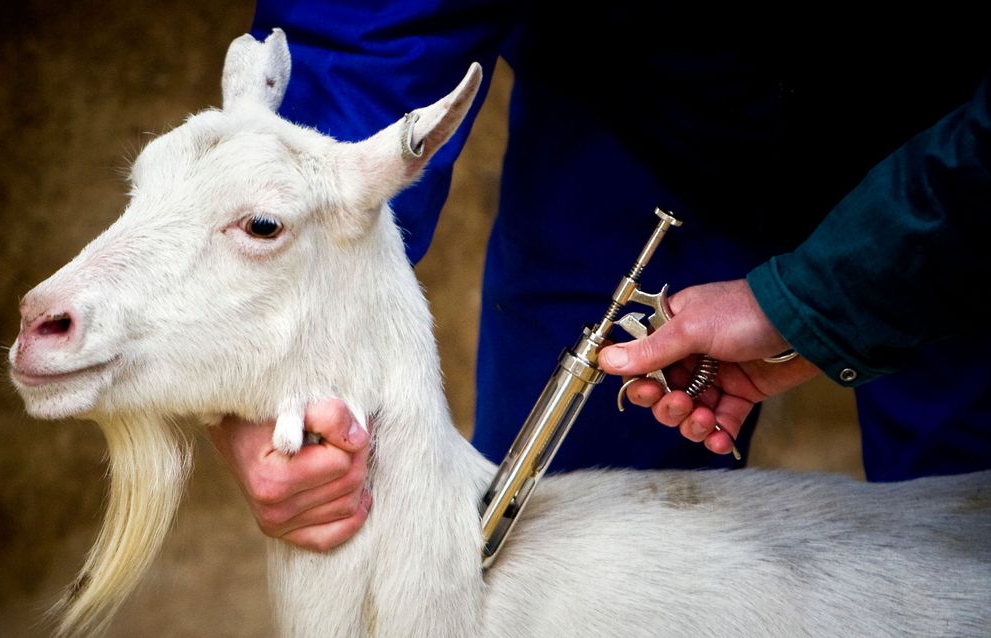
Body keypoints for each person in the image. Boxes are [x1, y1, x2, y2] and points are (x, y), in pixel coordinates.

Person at [211, 2, 991, 551]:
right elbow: (367, 30)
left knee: (962, 536)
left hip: (954, 151)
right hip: (627, 125)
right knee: (556, 547)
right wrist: (272, 336)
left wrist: (834, 291)